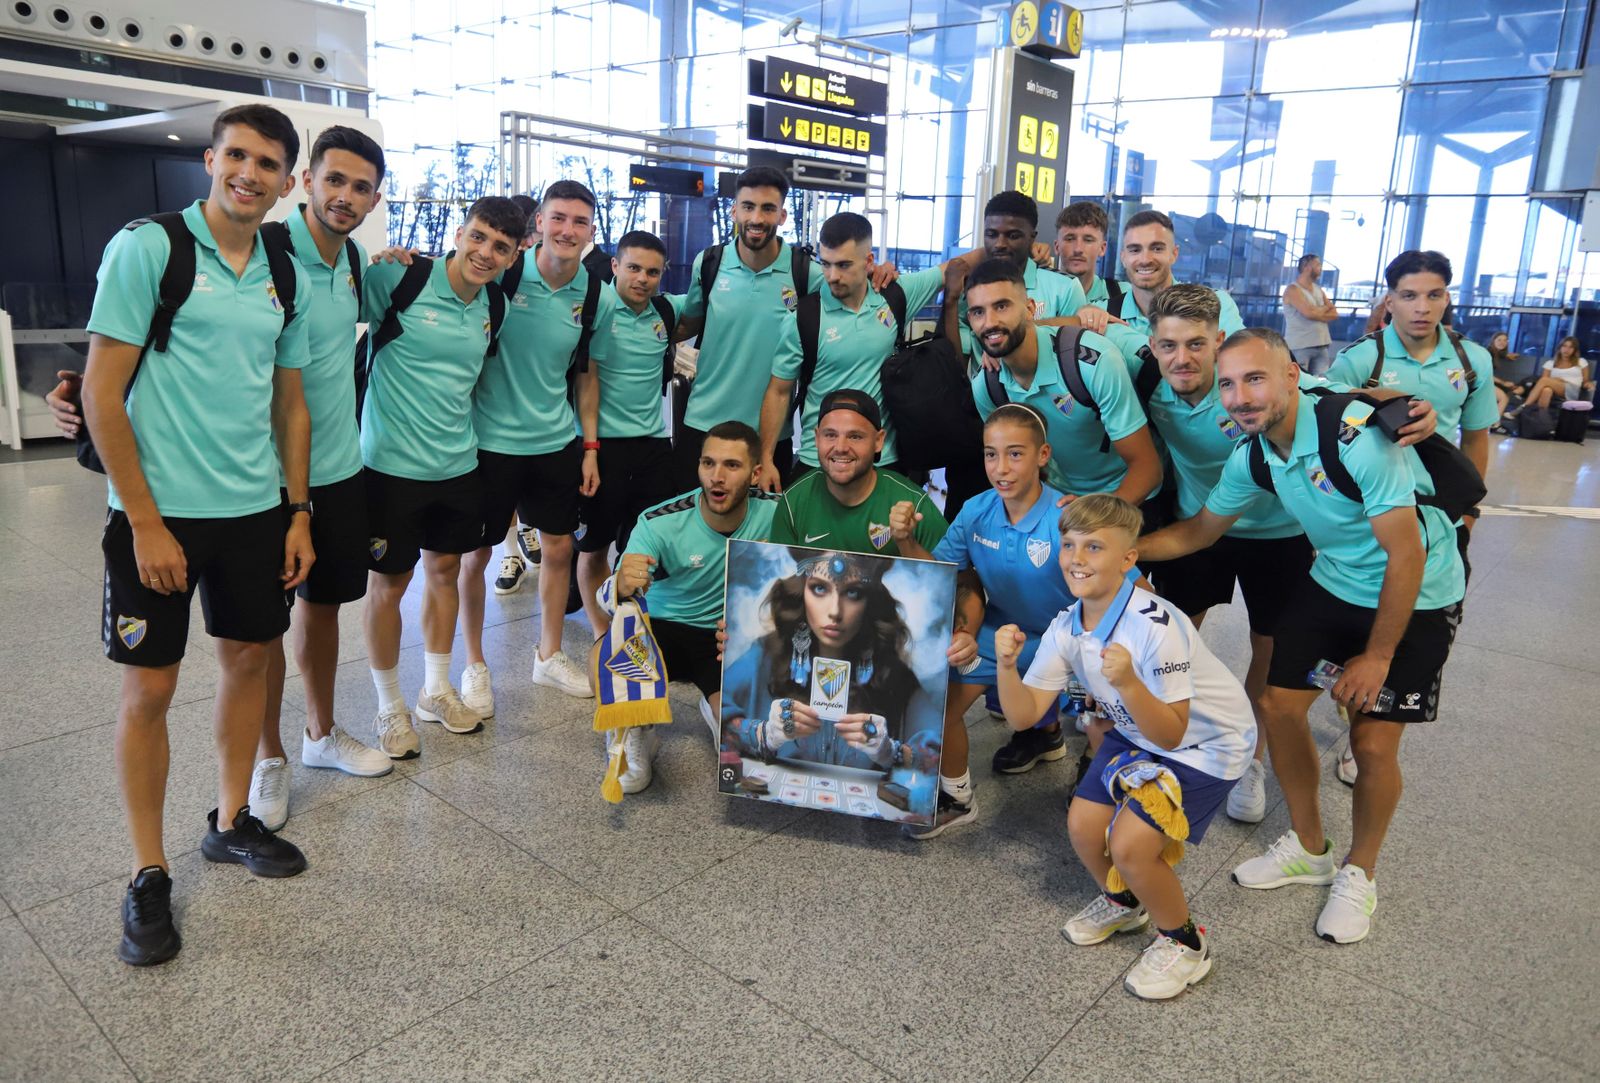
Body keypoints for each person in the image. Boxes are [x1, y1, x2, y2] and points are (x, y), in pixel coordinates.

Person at [1139, 328, 1467, 945]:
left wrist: (1376, 656)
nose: (1239, 396)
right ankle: (1311, 849)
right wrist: (1126, 548)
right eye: (1230, 383)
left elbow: (1407, 555)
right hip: (1334, 585)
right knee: (1278, 705)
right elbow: (1201, 531)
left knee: (1371, 744)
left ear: (1293, 375)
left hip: (1417, 594)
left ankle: (1359, 873)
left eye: (1255, 378)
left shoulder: (1358, 438)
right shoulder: (1255, 454)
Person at [81, 104, 315, 966]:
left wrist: (297, 509)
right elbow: (105, 394)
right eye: (238, 157)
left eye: (268, 165)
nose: (249, 175)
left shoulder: (277, 265)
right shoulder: (149, 248)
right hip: (160, 513)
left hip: (255, 508)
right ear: (212, 159)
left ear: (286, 183)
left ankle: (228, 818)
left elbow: (289, 399)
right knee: (148, 690)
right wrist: (144, 520)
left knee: (249, 659)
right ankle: (147, 870)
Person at [1141, 285, 1436, 822]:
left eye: (1197, 345)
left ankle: (1252, 760)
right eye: (1167, 345)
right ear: (1152, 345)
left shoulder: (1299, 403)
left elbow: (1348, 401)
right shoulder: (1153, 385)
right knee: (1167, 633)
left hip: (1284, 534)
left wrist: (1411, 410)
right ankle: (1166, 740)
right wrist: (1123, 552)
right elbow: (1198, 531)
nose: (1181, 357)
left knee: (1273, 651)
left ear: (1218, 343)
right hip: (1206, 520)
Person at [997, 494, 1255, 1000]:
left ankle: (1186, 942)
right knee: (1082, 825)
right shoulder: (1067, 624)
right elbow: (1025, 715)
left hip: (1206, 743)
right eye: (1069, 544)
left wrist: (1131, 684)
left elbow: (1172, 735)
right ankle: (1124, 903)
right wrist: (1007, 667)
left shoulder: (1157, 625)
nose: (1076, 558)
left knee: (1131, 846)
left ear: (1128, 559)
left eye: (1094, 546)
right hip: (1139, 729)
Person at [245, 126, 395, 831]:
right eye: (334, 180)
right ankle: (267, 754)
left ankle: (320, 734)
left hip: (340, 466)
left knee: (326, 604)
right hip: (265, 479)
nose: (345, 196)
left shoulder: (355, 262)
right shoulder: (267, 252)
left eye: (361, 186)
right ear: (305, 180)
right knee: (263, 625)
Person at [963, 257, 1163, 774]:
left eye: (1003, 305)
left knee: (1110, 630)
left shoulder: (1091, 361)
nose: (990, 321)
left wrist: (1096, 528)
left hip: (1117, 496)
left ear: (1031, 308)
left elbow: (1146, 466)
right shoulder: (988, 384)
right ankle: (1043, 730)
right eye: (978, 312)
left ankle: (1101, 755)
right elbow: (1012, 453)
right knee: (1036, 614)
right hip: (1055, 503)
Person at [361, 196, 524, 757]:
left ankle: (435, 689)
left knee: (446, 572)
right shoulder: (398, 279)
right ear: (460, 233)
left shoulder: (494, 306)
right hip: (388, 466)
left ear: (512, 255)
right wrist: (378, 257)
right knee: (389, 585)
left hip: (458, 465)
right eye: (478, 237)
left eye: (500, 246)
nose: (485, 253)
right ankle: (388, 705)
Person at [457, 180, 614, 715]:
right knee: (475, 556)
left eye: (580, 221)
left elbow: (588, 377)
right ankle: (475, 664)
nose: (568, 230)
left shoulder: (597, 296)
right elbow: (452, 279)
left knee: (558, 550)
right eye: (559, 218)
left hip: (555, 442)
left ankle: (548, 654)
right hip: (490, 443)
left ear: (592, 231)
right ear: (539, 224)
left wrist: (589, 447)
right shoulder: (505, 273)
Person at [907, 404, 1079, 838]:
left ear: (1043, 455)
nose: (1000, 468)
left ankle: (1093, 773)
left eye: (1015, 454)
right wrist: (906, 540)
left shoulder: (1069, 516)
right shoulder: (975, 510)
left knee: (1107, 714)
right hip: (999, 635)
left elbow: (1126, 590)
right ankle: (957, 797)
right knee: (935, 700)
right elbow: (939, 577)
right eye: (990, 454)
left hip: (1067, 641)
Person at [594, 422, 779, 792]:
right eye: (708, 464)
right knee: (606, 651)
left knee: (753, 751)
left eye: (731, 465)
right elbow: (606, 598)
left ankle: (717, 711)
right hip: (663, 628)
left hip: (728, 637)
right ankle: (635, 732)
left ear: (756, 473)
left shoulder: (779, 514)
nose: (717, 477)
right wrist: (619, 583)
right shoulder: (660, 521)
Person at [757, 212, 949, 485]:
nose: (832, 276)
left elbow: (955, 268)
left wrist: (1030, 256)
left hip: (883, 458)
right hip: (819, 459)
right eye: (826, 264)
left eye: (844, 265)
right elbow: (778, 392)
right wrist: (766, 458)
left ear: (869, 261)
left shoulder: (894, 296)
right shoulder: (803, 319)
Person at [721, 547, 943, 771]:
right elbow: (717, 714)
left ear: (870, 601)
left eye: (853, 593)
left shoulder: (894, 674)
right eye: (819, 588)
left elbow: (936, 758)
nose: (835, 611)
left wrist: (891, 752)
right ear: (802, 591)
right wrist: (764, 735)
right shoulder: (765, 656)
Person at [672, 166, 821, 490]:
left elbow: (851, 291)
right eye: (748, 206)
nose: (756, 218)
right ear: (734, 210)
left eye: (768, 208)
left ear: (782, 216)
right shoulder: (708, 264)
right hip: (703, 426)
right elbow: (686, 322)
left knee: (759, 539)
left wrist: (882, 272)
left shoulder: (805, 273)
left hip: (768, 439)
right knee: (693, 534)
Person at [575, 230, 684, 636]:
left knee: (646, 545)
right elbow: (586, 379)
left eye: (653, 272)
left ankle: (634, 621)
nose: (642, 278)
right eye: (634, 268)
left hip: (654, 444)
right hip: (602, 445)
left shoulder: (665, 311)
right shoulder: (596, 308)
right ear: (615, 266)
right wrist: (589, 448)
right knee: (594, 545)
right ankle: (604, 634)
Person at [767, 388, 948, 559]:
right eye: (830, 435)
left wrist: (906, 542)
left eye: (855, 437)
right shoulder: (794, 501)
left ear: (878, 441)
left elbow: (950, 582)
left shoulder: (912, 504)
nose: (840, 448)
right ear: (816, 438)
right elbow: (780, 580)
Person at [489, 193, 546, 596]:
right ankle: (511, 550)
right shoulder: (498, 272)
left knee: (534, 489)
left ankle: (528, 528)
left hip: (546, 412)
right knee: (503, 497)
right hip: (495, 411)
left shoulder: (568, 272)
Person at [1076, 210, 1244, 338]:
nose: (1145, 259)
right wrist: (1082, 317)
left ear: (1174, 254)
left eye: (1156, 248)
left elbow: (1239, 366)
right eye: (1135, 250)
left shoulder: (1216, 305)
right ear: (1123, 258)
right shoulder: (1101, 314)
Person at [1053, 200, 1119, 309]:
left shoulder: (1122, 294)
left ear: (1102, 248)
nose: (1078, 249)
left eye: (1088, 240)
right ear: (1057, 246)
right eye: (1070, 239)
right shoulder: (1037, 294)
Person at [1282, 253, 1339, 375]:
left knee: (1321, 385)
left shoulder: (1318, 289)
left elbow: (1334, 313)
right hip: (1300, 346)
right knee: (1300, 383)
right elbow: (1308, 313)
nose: (1320, 268)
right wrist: (1324, 308)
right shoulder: (1293, 290)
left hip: (1322, 344)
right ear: (1306, 267)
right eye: (1318, 265)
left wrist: (1316, 311)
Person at [1519, 335, 1592, 412]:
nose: (1567, 349)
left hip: (1573, 390)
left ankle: (1524, 407)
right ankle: (1540, 418)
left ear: (1575, 350)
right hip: (1555, 391)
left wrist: (1588, 384)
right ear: (1560, 348)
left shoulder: (1581, 361)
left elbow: (1585, 380)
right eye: (1564, 346)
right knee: (1546, 390)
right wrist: (1557, 381)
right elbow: (1543, 382)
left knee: (1545, 381)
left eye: (1571, 347)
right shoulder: (1550, 363)